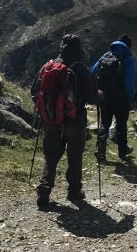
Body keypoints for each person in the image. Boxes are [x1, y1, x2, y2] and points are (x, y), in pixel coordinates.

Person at [30, 34, 98, 208]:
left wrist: (49, 109)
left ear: (60, 47)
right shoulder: (81, 69)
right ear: (79, 49)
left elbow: (34, 92)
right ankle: (74, 191)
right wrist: (100, 95)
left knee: (51, 156)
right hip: (75, 121)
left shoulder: (48, 66)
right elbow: (92, 97)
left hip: (52, 121)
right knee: (74, 156)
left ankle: (44, 192)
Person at [91, 34, 137, 161]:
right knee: (121, 124)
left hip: (105, 97)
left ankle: (100, 151)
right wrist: (132, 94)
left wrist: (98, 90)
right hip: (121, 98)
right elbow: (129, 82)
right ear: (128, 46)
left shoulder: (105, 56)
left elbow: (92, 71)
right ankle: (123, 151)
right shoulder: (129, 59)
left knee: (104, 123)